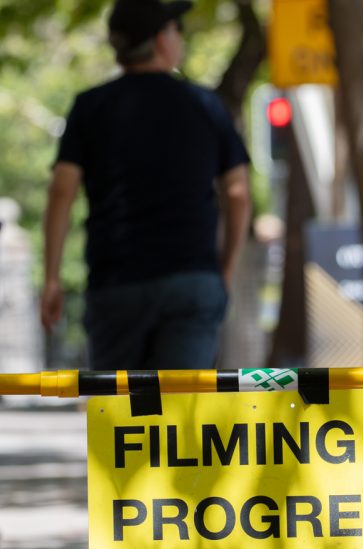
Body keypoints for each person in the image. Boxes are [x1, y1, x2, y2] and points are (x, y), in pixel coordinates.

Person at [40, 0, 251, 370]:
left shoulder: (90, 107)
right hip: (192, 281)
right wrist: (225, 270)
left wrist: (53, 277)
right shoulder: (204, 105)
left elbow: (62, 192)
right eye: (177, 29)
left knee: (120, 411)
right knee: (182, 410)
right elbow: (237, 192)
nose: (180, 38)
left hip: (117, 282)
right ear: (161, 40)